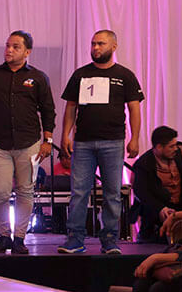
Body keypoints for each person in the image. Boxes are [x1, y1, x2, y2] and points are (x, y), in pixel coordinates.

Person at [58, 30, 144, 254]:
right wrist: (65, 134)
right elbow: (70, 107)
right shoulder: (81, 74)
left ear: (113, 47)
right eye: (93, 43)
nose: (95, 48)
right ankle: (75, 239)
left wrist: (135, 138)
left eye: (101, 44)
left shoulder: (125, 75)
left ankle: (110, 240)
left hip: (113, 142)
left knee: (112, 193)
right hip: (83, 143)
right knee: (79, 192)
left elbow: (134, 108)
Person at [0, 31, 55, 255]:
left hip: (29, 144)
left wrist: (48, 140)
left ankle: (20, 238)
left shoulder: (38, 77)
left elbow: (48, 110)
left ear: (27, 52)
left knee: (25, 191)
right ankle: (3, 236)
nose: (9, 50)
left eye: (16, 47)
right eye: (8, 45)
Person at [132, 126, 182, 243]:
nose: (176, 148)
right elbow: (141, 192)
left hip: (179, 206)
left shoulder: (178, 155)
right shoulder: (143, 164)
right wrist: (161, 208)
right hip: (157, 209)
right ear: (159, 147)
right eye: (171, 146)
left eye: (175, 145)